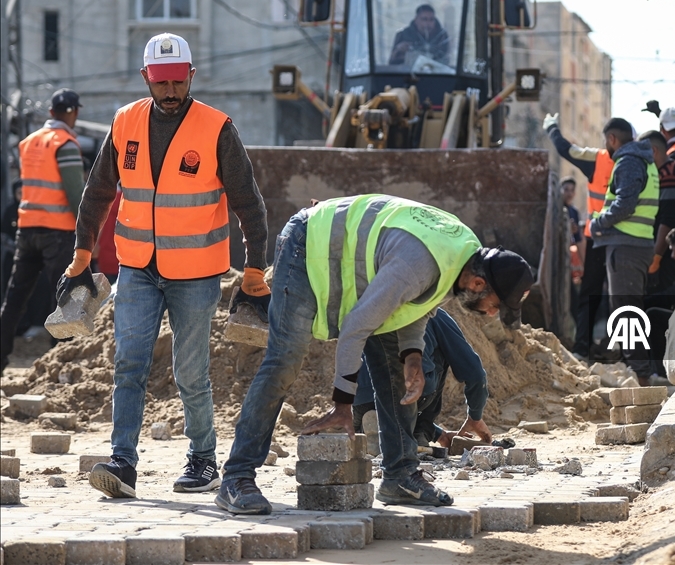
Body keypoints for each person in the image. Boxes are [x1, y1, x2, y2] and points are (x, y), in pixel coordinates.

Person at [215, 194, 533, 515]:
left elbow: (418, 306)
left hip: (358, 265)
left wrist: (411, 355)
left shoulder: (463, 257)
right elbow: (356, 327)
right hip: (308, 244)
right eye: (495, 305)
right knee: (285, 358)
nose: (492, 315)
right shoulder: (420, 264)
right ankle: (237, 477)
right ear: (479, 283)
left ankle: (400, 476)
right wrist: (343, 404)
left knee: (398, 369)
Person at [60, 33, 270, 500]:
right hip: (137, 266)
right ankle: (123, 462)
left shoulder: (217, 129)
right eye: (161, 82)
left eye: (178, 81)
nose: (170, 91)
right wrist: (81, 253)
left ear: (191, 76)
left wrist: (255, 270)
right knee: (129, 363)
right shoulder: (125, 122)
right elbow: (98, 191)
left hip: (195, 272)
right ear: (146, 79)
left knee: (190, 371)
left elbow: (249, 206)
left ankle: (202, 461)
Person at [1, 90, 85, 372]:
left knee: (14, 299)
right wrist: (87, 235)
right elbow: (76, 195)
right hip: (57, 232)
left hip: (27, 229)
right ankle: (60, 363)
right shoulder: (66, 144)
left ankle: (1, 358)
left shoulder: (29, 142)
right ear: (73, 113)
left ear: (51, 113)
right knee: (62, 297)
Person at [353, 308, 491, 449]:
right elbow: (475, 373)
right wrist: (475, 416)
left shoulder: (375, 308)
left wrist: (439, 435)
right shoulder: (433, 313)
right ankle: (419, 431)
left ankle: (376, 426)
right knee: (444, 353)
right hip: (406, 394)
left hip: (360, 399)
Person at [590, 118, 659, 385]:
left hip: (627, 247)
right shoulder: (644, 161)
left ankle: (641, 377)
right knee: (630, 310)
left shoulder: (628, 161)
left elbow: (625, 205)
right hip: (637, 246)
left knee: (626, 313)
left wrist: (598, 223)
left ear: (611, 139)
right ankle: (640, 371)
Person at [543, 113, 615, 361]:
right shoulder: (642, 161)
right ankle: (621, 350)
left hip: (599, 236)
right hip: (626, 239)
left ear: (611, 139)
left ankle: (584, 348)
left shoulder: (599, 159)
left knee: (591, 294)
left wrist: (552, 127)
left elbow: (567, 150)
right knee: (625, 295)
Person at [637, 131, 675, 297]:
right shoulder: (662, 172)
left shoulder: (670, 174)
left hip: (666, 254)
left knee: (659, 298)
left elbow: (668, 221)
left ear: (653, 151)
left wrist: (655, 259)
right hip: (663, 250)